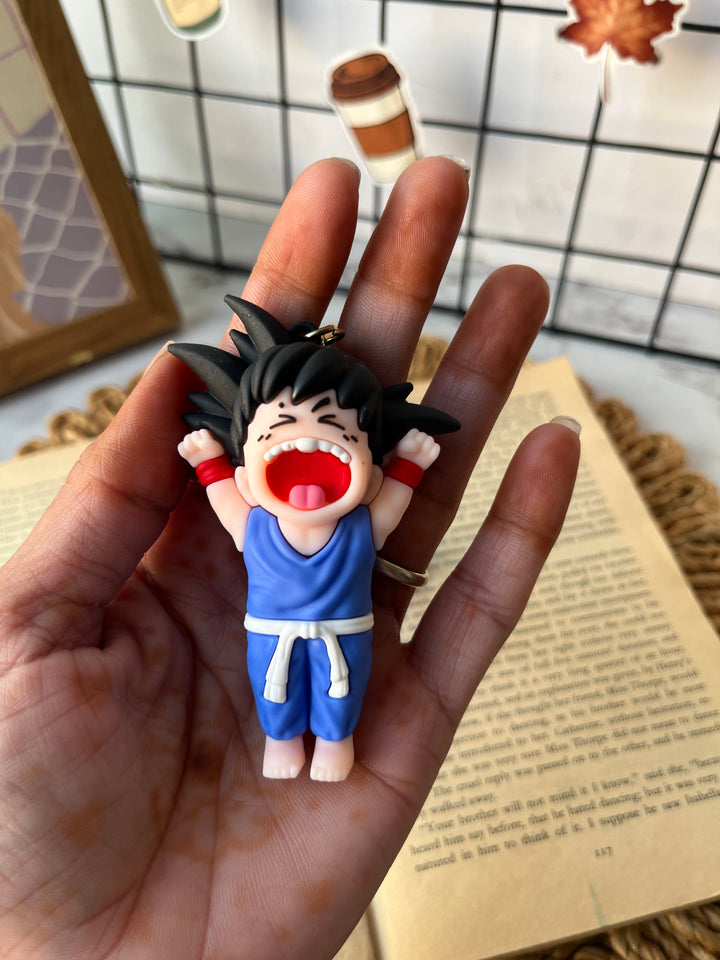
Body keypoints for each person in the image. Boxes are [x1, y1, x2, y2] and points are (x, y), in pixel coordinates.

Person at [0, 157, 580, 960]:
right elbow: (224, 505)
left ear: (366, 462)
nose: (308, 445)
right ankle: (284, 744)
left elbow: (391, 510)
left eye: (338, 433)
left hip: (346, 633)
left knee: (340, 697)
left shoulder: (360, 524)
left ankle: (333, 745)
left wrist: (412, 465)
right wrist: (207, 463)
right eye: (278, 432)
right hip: (269, 632)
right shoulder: (256, 522)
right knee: (277, 698)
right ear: (250, 470)